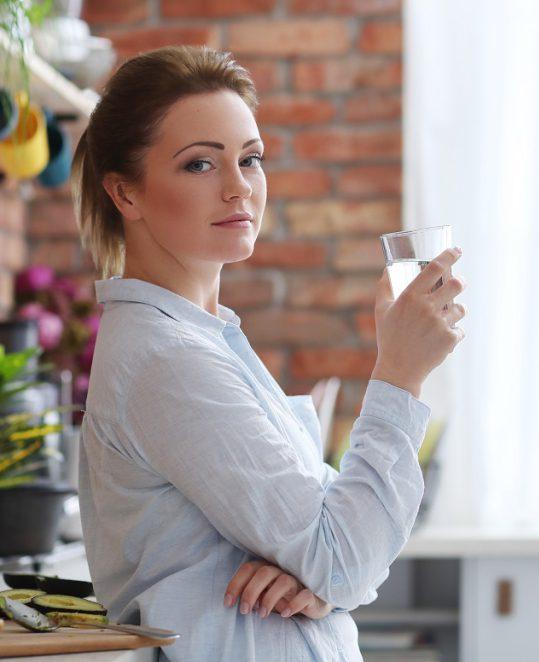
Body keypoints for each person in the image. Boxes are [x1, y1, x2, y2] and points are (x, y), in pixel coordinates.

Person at [70, 45, 467, 661]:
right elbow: (346, 557)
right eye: (200, 165)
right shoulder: (168, 359)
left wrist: (323, 581)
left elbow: (346, 545)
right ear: (126, 193)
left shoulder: (205, 338)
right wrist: (400, 374)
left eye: (250, 160)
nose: (238, 189)